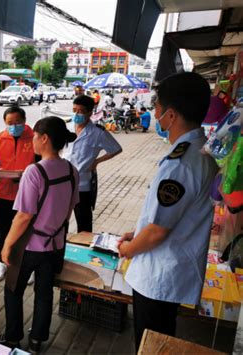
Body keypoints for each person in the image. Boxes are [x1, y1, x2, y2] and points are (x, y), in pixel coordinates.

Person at [118, 72, 218, 351]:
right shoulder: (199, 151)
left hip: (158, 277)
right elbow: (168, 217)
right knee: (162, 340)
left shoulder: (179, 164)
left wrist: (129, 248)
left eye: (157, 108)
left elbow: (158, 232)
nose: (155, 114)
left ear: (171, 115)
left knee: (152, 345)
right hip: (170, 270)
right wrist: (138, 232)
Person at [0, 116, 79, 352]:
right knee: (44, 292)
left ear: (45, 139)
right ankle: (38, 338)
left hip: (29, 247)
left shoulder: (35, 171)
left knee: (13, 290)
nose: (33, 141)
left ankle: (12, 338)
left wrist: (7, 245)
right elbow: (70, 208)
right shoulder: (71, 170)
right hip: (55, 246)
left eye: (35, 137)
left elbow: (23, 216)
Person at [0, 106, 37, 282]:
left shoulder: (34, 138)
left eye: (18, 123)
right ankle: (2, 262)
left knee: (26, 231)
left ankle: (26, 266)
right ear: (5, 123)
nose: (14, 126)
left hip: (28, 194)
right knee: (3, 229)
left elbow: (41, 164)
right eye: (10, 123)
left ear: (24, 121)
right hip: (3, 192)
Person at [64, 95, 122, 232]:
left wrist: (97, 161)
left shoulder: (98, 133)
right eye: (74, 110)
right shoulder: (67, 127)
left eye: (80, 111)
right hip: (63, 182)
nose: (76, 114)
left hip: (82, 185)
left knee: (84, 224)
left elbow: (116, 149)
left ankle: (83, 248)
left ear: (90, 112)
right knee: (59, 222)